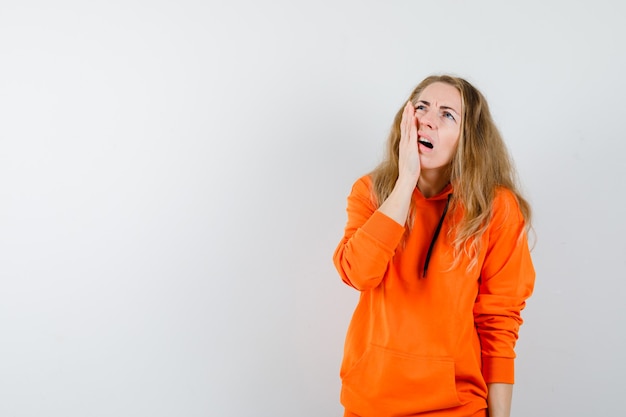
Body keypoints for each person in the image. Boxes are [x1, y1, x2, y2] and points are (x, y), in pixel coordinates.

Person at [333, 75, 535, 417]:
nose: (428, 119)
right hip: (370, 403)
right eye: (422, 107)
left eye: (447, 114)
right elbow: (358, 274)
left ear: (469, 139)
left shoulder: (496, 208)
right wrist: (405, 182)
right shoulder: (370, 191)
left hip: (455, 407)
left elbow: (499, 323)